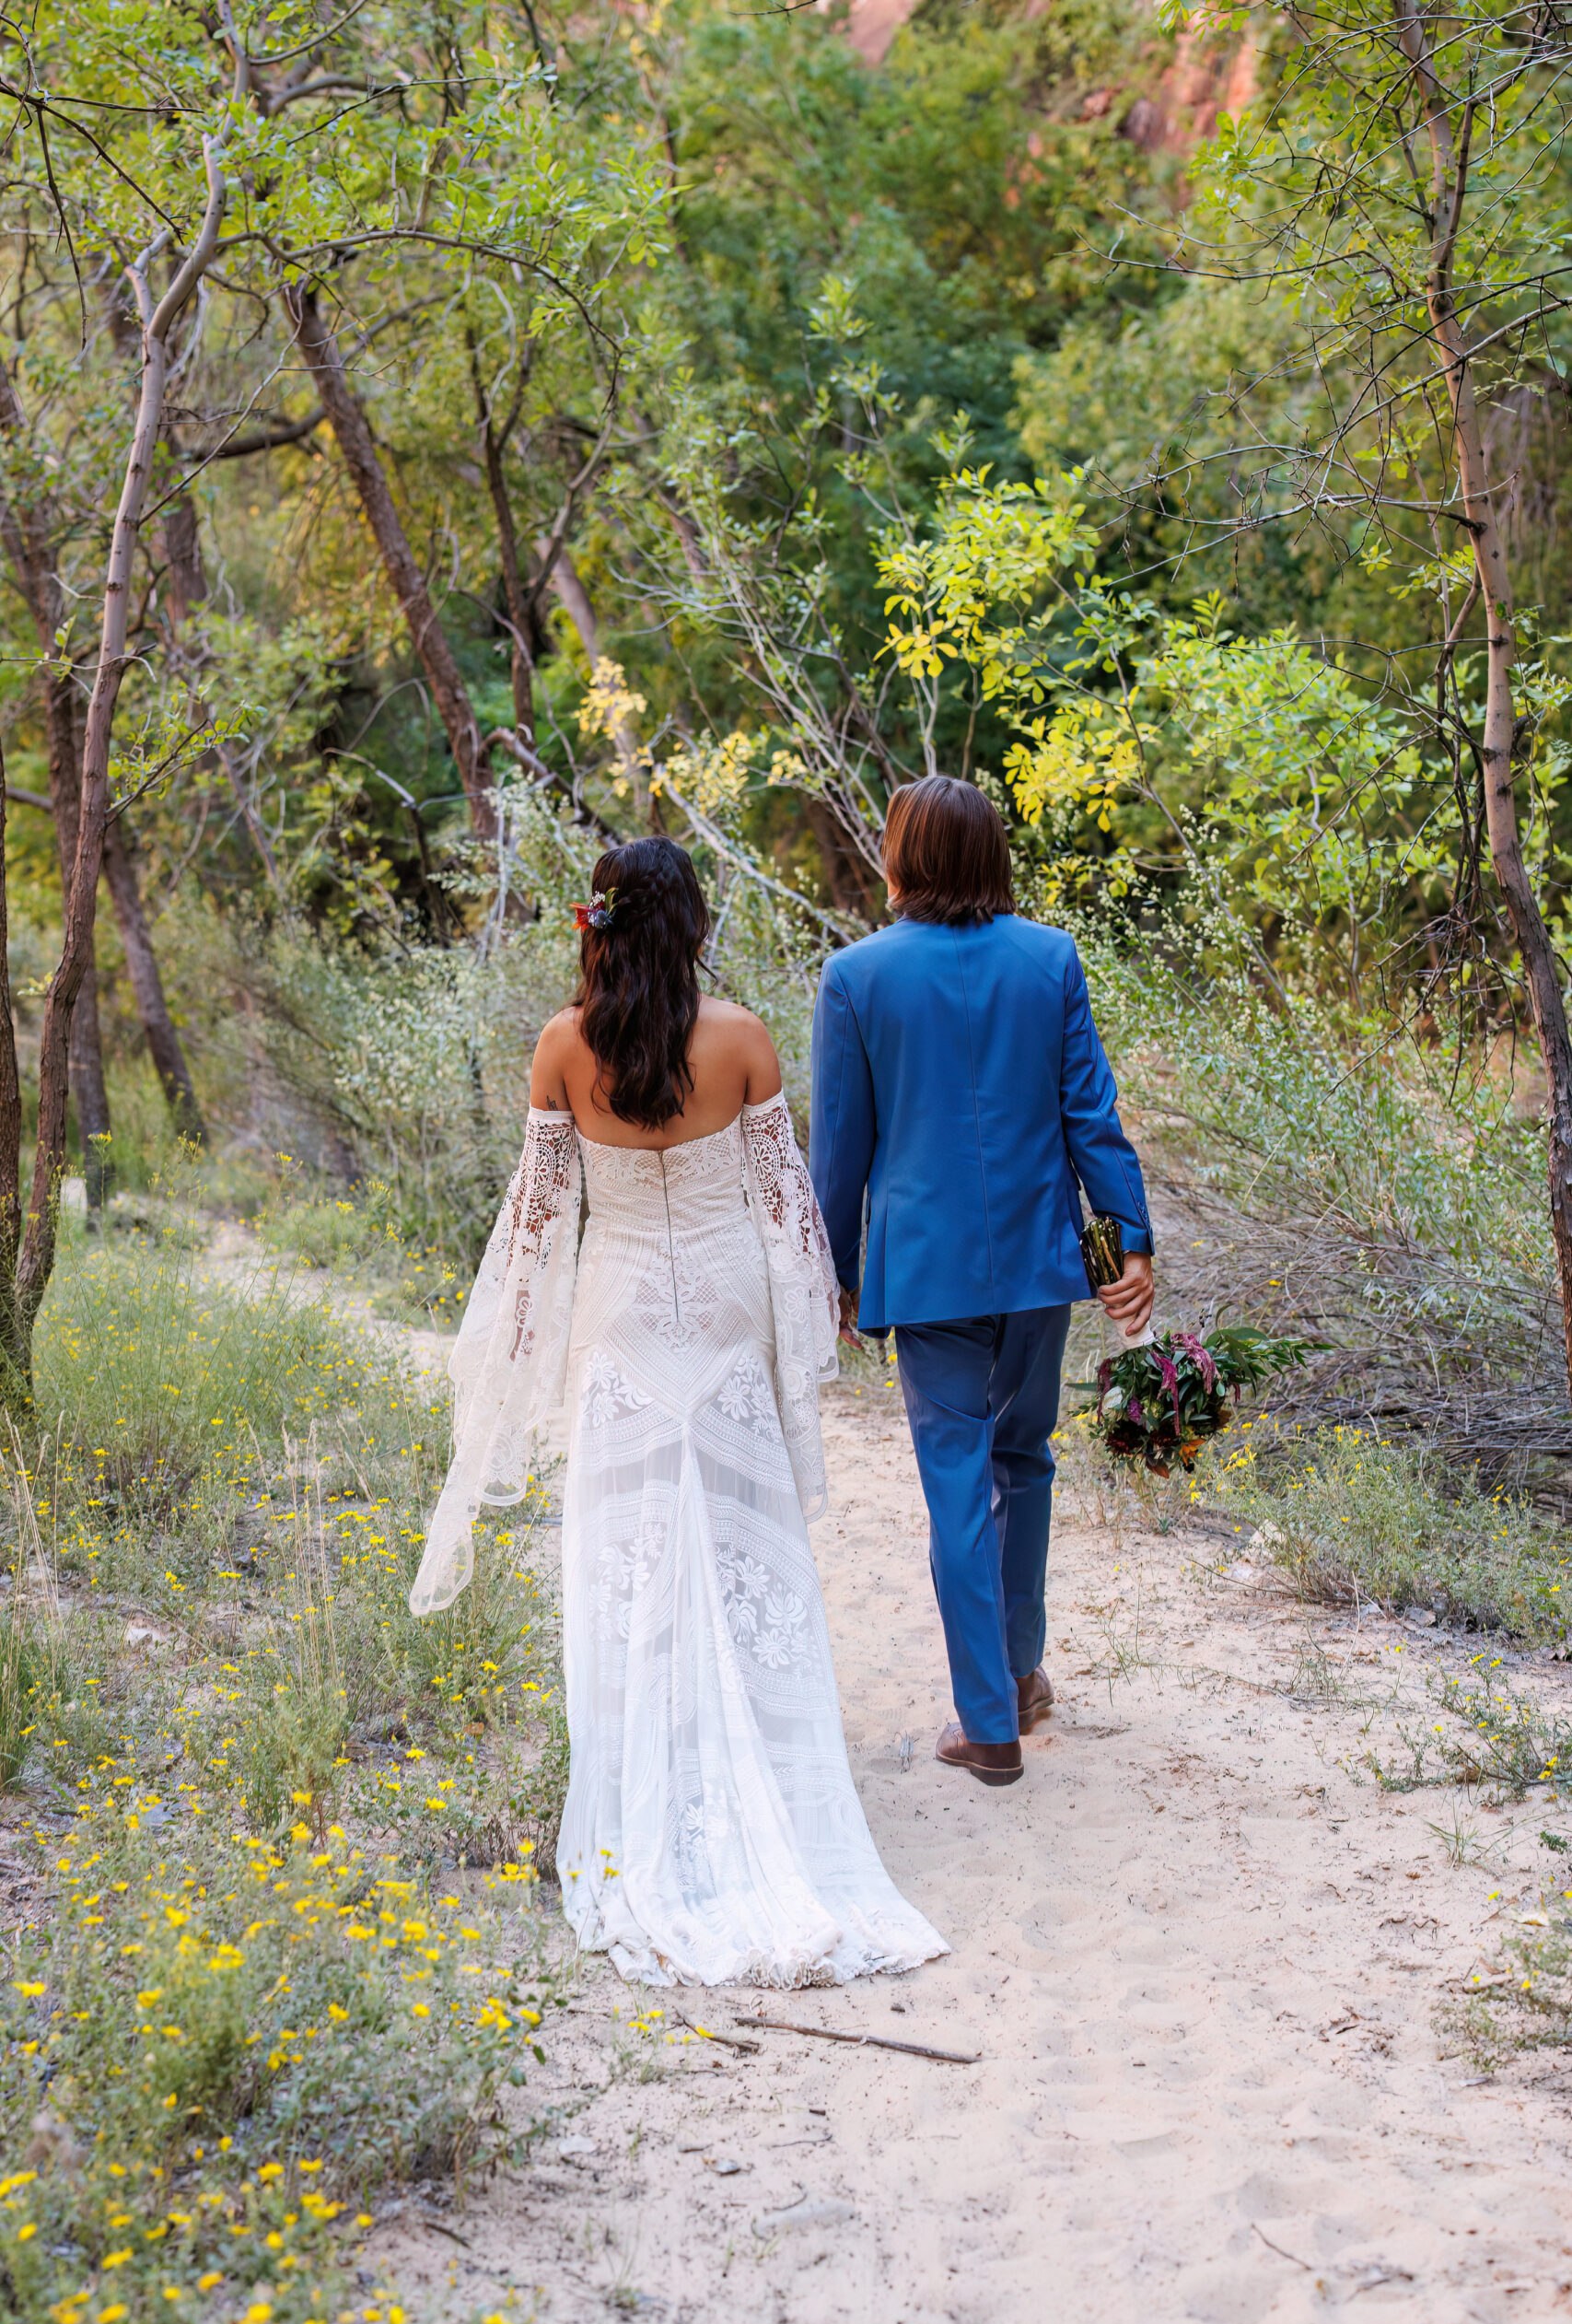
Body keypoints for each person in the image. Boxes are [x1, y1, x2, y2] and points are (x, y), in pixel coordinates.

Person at [410, 836, 944, 1989]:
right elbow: (786, 1210)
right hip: (722, 1322)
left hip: (621, 1328)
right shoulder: (742, 1038)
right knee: (745, 1541)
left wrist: (516, 1347)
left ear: (591, 925)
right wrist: (816, 1326)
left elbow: (540, 1225)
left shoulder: (561, 1046)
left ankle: (652, 1771)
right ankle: (763, 1765)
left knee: (633, 1551)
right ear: (696, 922)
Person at [810, 777, 1155, 1790]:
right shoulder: (1048, 958)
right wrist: (1128, 1240)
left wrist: (832, 1272)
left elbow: (841, 1152)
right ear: (994, 856)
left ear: (901, 857)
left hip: (924, 1269)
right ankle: (1019, 1673)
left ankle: (986, 1719)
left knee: (957, 1477)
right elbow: (1091, 1111)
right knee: (1025, 1457)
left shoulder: (856, 976)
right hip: (1040, 1262)